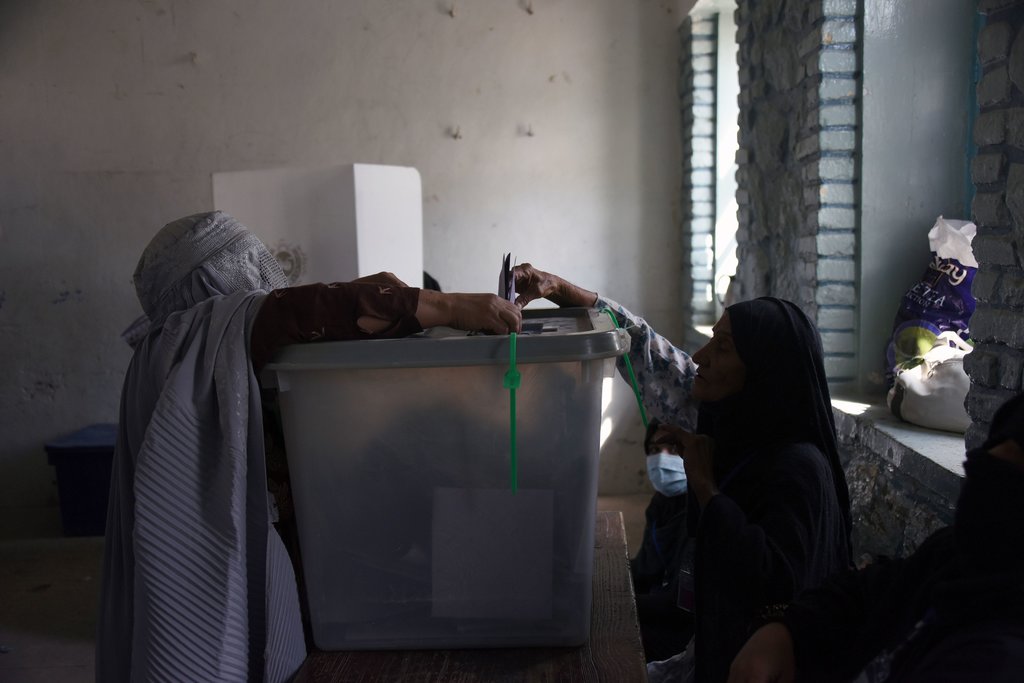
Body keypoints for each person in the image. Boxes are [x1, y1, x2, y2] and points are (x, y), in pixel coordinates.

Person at [97, 211, 522, 683]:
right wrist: (448, 306)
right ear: (212, 276)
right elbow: (302, 310)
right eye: (247, 259)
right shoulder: (205, 328)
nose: (261, 271)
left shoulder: (164, 348)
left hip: (221, 527)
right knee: (232, 642)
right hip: (215, 541)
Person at [513, 264, 853, 683]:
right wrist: (559, 289)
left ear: (765, 370)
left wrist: (707, 487)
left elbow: (770, 585)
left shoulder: (800, 471)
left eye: (723, 347)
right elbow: (647, 351)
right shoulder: (730, 421)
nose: (700, 358)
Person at [727, 392, 1024, 683]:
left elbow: (765, 573)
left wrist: (707, 492)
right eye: (989, 462)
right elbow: (872, 592)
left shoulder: (997, 660)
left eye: (1010, 475)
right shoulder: (953, 557)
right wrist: (786, 630)